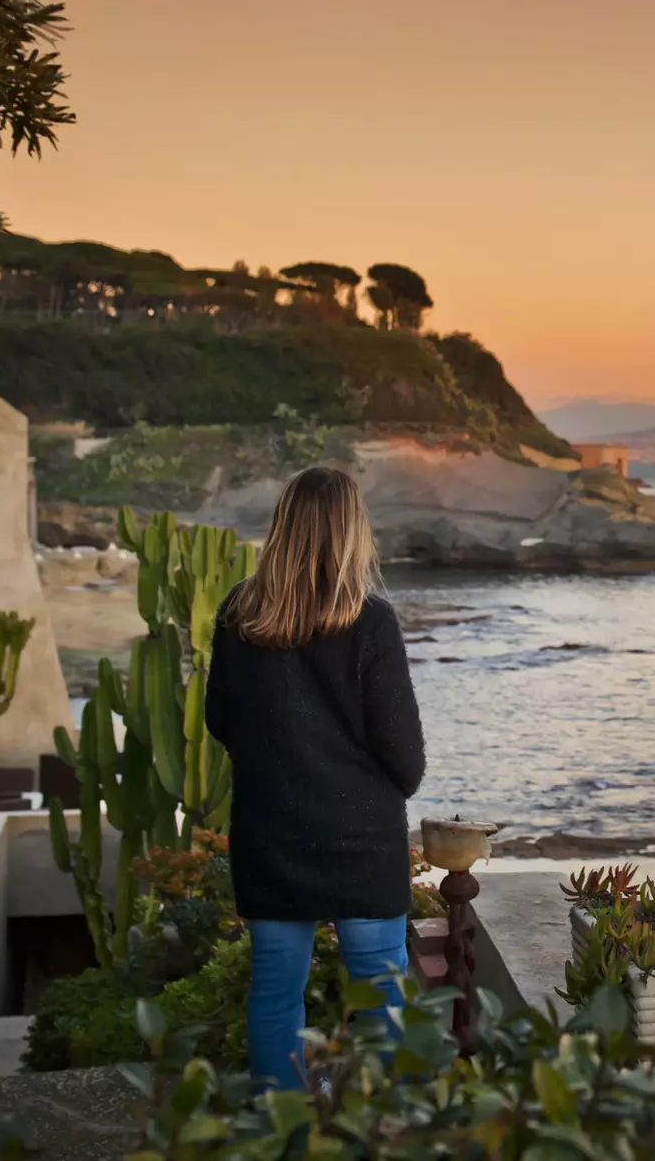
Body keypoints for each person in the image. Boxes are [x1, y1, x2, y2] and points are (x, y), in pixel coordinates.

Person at [204, 466, 426, 1092]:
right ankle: (382, 1128)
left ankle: (281, 1127)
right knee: (381, 994)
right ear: (352, 533)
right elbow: (402, 751)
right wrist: (385, 788)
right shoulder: (371, 621)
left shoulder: (239, 615)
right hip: (360, 837)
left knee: (276, 992)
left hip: (269, 831)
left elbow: (221, 720)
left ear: (283, 529)